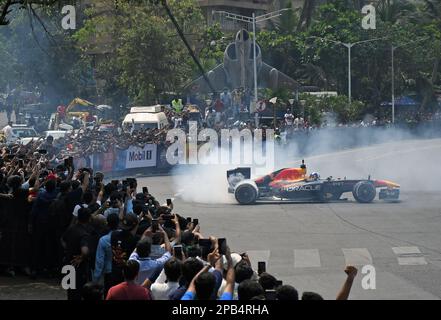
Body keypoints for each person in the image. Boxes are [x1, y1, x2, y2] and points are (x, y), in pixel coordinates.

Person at [61, 207, 93, 300]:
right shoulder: (84, 234)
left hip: (68, 265)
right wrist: (82, 256)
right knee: (78, 294)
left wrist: (68, 249)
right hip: (78, 269)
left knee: (70, 293)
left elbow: (62, 239)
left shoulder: (71, 229)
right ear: (88, 219)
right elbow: (85, 251)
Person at [93, 213, 120, 296]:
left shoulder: (103, 240)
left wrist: (96, 279)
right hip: (121, 271)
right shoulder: (123, 236)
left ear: (107, 224)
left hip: (109, 273)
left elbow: (99, 261)